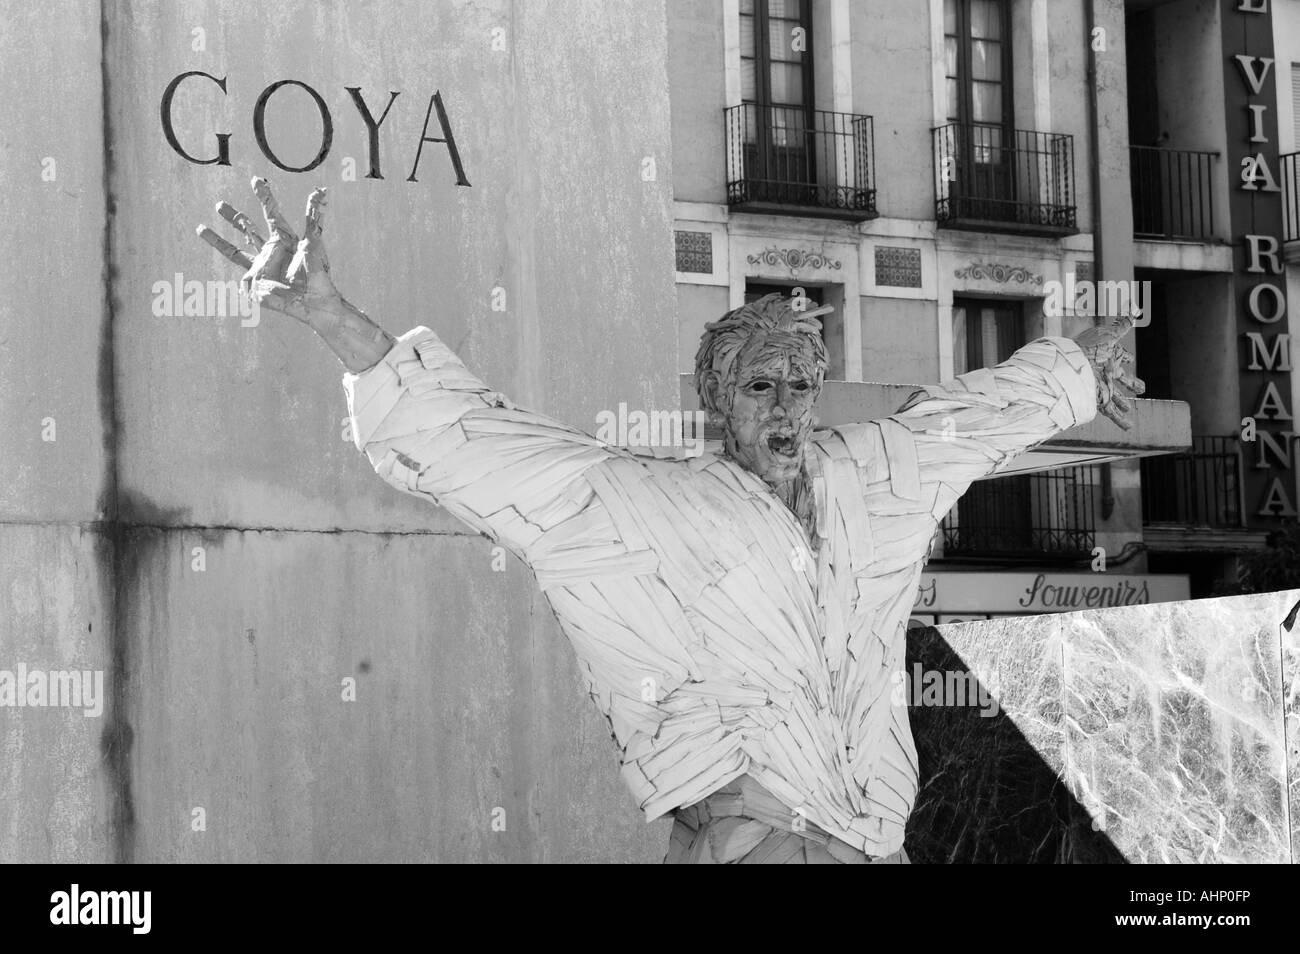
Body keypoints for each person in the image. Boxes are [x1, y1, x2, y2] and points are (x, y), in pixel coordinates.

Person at [198, 178, 1143, 863]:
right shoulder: (654, 505)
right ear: (715, 406)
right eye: (759, 386)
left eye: (801, 386)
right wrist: (335, 320)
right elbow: (492, 451)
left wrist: (1076, 376)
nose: (785, 407)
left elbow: (963, 425)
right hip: (753, 840)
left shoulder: (871, 476)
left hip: (874, 842)